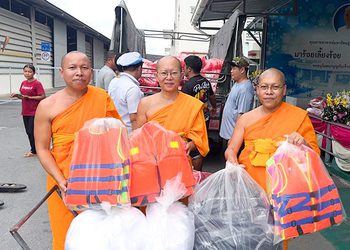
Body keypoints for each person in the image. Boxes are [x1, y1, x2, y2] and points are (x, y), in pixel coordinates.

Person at [35, 51, 122, 250]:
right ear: (61, 72)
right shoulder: (47, 106)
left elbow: (117, 136)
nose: (79, 73)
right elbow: (41, 148)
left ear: (91, 72)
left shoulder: (101, 97)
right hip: (63, 177)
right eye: (72, 68)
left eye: (85, 67)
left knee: (99, 235)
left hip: (100, 175)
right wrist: (60, 181)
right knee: (64, 232)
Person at [225, 68, 320, 190]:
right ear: (257, 90)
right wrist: (231, 159)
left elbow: (315, 156)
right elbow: (231, 148)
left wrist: (304, 143)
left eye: (275, 87)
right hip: (250, 185)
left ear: (284, 90)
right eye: (264, 87)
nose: (269, 92)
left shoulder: (299, 117)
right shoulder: (245, 119)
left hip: (287, 188)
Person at [136, 56, 209, 166]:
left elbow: (200, 137)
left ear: (181, 75)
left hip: (180, 161)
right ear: (156, 76)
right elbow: (139, 137)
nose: (169, 78)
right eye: (164, 73)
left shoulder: (193, 104)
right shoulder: (145, 104)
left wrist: (190, 145)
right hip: (152, 163)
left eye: (174, 73)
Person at [182, 55, 216, 170]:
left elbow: (183, 106)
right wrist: (214, 107)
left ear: (189, 69)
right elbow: (212, 96)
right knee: (200, 143)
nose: (184, 69)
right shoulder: (206, 81)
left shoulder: (187, 86)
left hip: (193, 121)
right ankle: (198, 172)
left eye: (184, 67)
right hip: (204, 118)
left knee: (193, 148)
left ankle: (194, 173)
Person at [10, 64, 45, 157]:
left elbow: (42, 96)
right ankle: (37, 148)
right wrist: (17, 95)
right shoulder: (23, 83)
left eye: (29, 71)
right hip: (25, 111)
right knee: (28, 132)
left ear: (34, 73)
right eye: (25, 71)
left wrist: (29, 97)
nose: (27, 73)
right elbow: (23, 96)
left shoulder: (37, 83)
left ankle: (34, 150)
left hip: (34, 111)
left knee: (31, 131)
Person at [219, 57, 254, 143]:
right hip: (227, 134)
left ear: (242, 70)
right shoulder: (237, 83)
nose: (231, 71)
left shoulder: (245, 89)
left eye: (234, 68)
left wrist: (234, 138)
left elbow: (242, 115)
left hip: (232, 137)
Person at [108, 52, 144, 133]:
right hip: (127, 133)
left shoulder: (114, 81)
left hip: (113, 129)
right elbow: (134, 118)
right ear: (139, 68)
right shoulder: (132, 88)